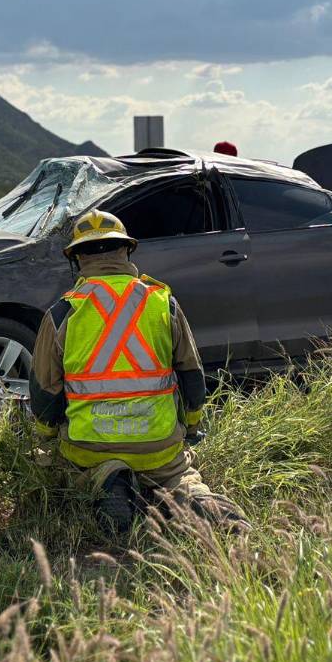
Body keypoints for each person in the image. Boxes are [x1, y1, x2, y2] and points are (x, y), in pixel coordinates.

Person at [29, 209, 248, 536]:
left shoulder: (63, 312)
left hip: (88, 447)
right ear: (126, 250)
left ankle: (106, 477)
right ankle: (195, 498)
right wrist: (191, 427)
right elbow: (192, 374)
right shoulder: (163, 302)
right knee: (181, 478)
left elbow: (44, 392)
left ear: (77, 259)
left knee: (64, 467)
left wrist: (46, 437)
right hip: (158, 446)